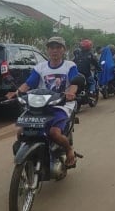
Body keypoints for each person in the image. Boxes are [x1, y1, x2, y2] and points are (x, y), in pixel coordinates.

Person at [5, 37, 81, 168]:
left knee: (54, 133)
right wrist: (16, 93)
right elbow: (29, 84)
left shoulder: (70, 66)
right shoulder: (40, 67)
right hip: (40, 105)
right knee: (21, 132)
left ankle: (69, 150)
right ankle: (29, 157)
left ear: (64, 49)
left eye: (58, 47)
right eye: (51, 48)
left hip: (62, 105)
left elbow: (74, 82)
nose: (54, 50)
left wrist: (71, 93)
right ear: (47, 50)